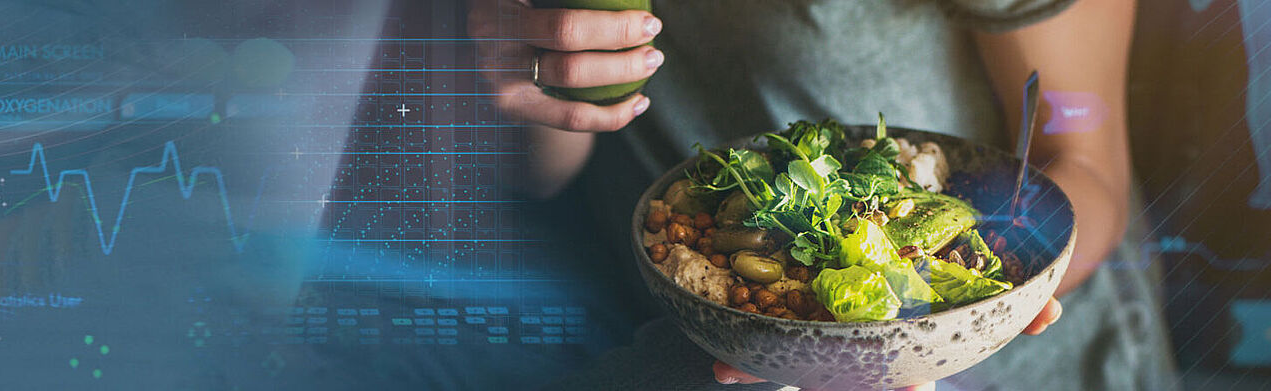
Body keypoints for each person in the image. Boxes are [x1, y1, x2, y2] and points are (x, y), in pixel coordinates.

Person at [470, 0, 1179, 389]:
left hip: (1000, 366)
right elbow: (540, 178)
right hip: (689, 345)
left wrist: (936, 325)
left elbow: (1091, 163)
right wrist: (521, 79)